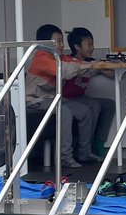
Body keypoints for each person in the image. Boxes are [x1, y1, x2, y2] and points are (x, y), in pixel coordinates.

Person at [25, 24, 95, 168]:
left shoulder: (59, 57)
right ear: (45, 43)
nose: (62, 45)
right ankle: (64, 157)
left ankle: (85, 153)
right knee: (65, 112)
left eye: (62, 41)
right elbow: (65, 71)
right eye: (58, 41)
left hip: (54, 99)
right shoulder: (41, 57)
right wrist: (89, 65)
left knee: (85, 111)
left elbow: (77, 64)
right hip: (35, 100)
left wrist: (95, 64)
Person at [65, 27, 116, 160]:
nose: (92, 48)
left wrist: (101, 66)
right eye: (88, 44)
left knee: (109, 104)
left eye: (92, 44)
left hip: (79, 97)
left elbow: (112, 74)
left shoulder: (90, 62)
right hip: (66, 98)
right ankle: (85, 150)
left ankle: (99, 142)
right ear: (77, 47)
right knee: (93, 105)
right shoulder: (68, 62)